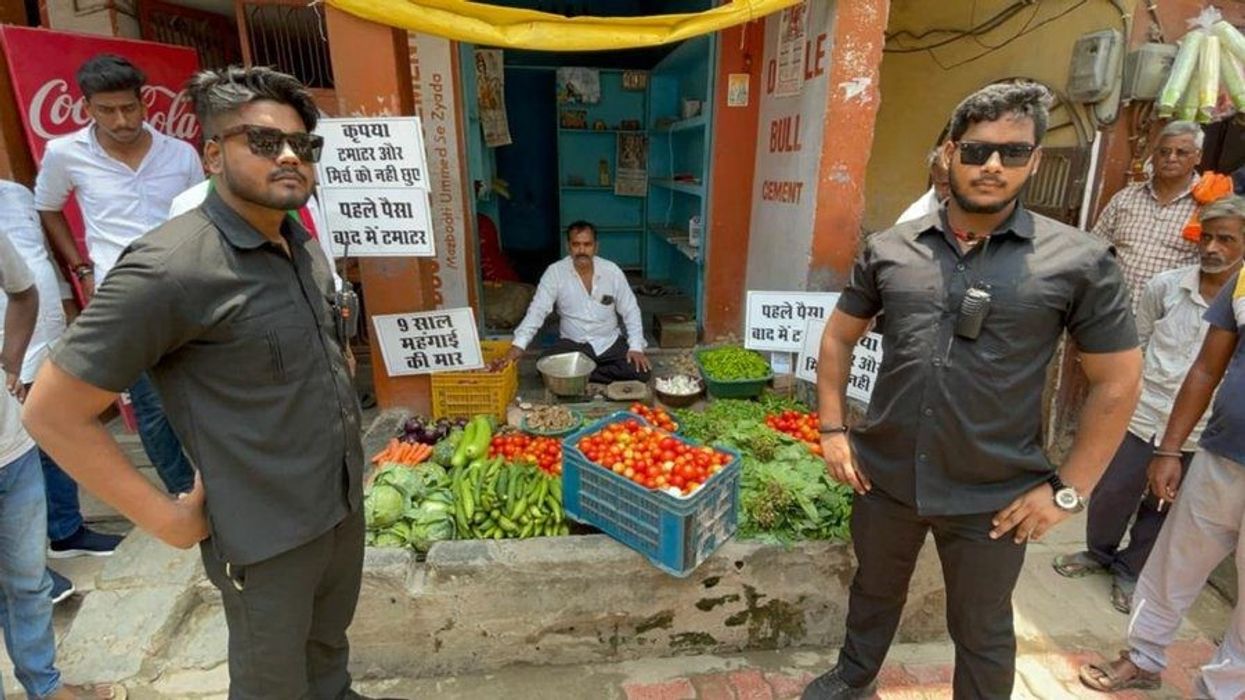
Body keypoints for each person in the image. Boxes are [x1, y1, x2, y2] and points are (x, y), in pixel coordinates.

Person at [23, 65, 394, 700]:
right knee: (272, 684)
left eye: (304, 146)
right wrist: (163, 519)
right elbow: (52, 412)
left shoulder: (298, 243)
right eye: (263, 140)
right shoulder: (172, 267)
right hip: (264, 535)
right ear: (213, 154)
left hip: (338, 508)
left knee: (329, 653)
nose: (288, 157)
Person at [806, 82, 1142, 700]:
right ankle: (852, 678)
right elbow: (836, 342)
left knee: (982, 628)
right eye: (977, 150)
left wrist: (1068, 493)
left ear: (1035, 160)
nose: (992, 166)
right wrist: (832, 430)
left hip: (995, 494)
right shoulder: (890, 249)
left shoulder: (1078, 261)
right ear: (948, 155)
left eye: (1013, 153)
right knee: (874, 590)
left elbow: (1118, 383)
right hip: (884, 479)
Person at [1053, 196, 1245, 614]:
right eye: (1206, 237)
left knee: (1161, 505)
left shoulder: (1239, 305)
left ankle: (1129, 569)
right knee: (1111, 491)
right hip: (1142, 415)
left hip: (1197, 429)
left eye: (1226, 239)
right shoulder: (1166, 286)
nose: (1212, 248)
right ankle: (1098, 553)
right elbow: (1135, 346)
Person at [33, 54, 202, 496]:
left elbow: (204, 213)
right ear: (87, 107)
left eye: (128, 107)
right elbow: (47, 207)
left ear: (143, 103)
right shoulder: (65, 154)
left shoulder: (180, 154)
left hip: (187, 288)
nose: (121, 119)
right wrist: (81, 267)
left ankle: (218, 481)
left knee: (202, 388)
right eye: (107, 110)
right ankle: (183, 493)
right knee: (150, 404)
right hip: (121, 295)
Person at [1077, 260, 1245, 697]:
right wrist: (1171, 446)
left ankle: (1219, 690)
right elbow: (1207, 368)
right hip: (1221, 453)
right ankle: (1142, 657)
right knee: (1174, 563)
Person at [0, 223, 124, 700]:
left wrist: (11, 364)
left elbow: (23, 293)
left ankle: (45, 687)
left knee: (29, 584)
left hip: (12, 449)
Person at [504, 220, 651, 383]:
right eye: (576, 244)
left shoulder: (612, 271)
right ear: (569, 247)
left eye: (587, 244)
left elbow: (630, 310)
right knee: (542, 367)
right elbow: (537, 310)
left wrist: (636, 347)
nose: (582, 250)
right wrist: (518, 346)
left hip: (608, 342)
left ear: (596, 247)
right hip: (572, 344)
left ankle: (580, 376)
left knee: (641, 371)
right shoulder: (555, 272)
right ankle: (592, 375)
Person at [1093, 120, 1204, 311]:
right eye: (1164, 151)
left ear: (1198, 157)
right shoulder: (1125, 198)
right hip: (1112, 311)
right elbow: (1094, 249)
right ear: (1153, 156)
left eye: (1182, 152)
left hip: (1167, 320)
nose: (1171, 158)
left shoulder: (1209, 206)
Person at [895, 147, 950, 224]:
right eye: (945, 184)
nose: (950, 191)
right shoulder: (913, 219)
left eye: (954, 183)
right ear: (933, 178)